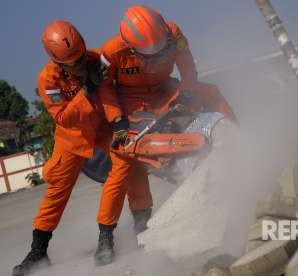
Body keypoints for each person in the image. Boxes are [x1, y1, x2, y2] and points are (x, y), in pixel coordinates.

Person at [13, 20, 137, 276]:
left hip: (102, 128)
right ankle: (38, 251)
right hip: (71, 137)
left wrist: (118, 122)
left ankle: (108, 236)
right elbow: (65, 119)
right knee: (57, 190)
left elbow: (108, 95)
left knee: (124, 160)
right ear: (58, 62)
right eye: (74, 63)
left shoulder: (95, 61)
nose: (82, 65)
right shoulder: (48, 79)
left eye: (82, 57)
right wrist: (86, 89)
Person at [97, 6, 237, 228]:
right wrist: (117, 119)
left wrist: (187, 92)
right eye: (151, 56)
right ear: (130, 48)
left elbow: (188, 68)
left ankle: (242, 139)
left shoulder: (175, 34)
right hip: (133, 103)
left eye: (162, 52)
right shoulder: (109, 53)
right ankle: (185, 177)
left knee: (210, 91)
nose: (158, 58)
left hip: (168, 91)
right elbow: (105, 89)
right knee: (147, 142)